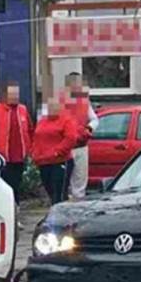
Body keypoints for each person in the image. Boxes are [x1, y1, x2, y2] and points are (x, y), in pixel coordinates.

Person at [0, 81, 32, 199]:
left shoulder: (23, 110)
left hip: (20, 156)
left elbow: (30, 130)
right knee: (6, 183)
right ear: (5, 95)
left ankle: (16, 204)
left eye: (16, 94)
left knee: (17, 182)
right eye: (12, 94)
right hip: (4, 156)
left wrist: (29, 149)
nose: (15, 97)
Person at [32, 95, 80, 205]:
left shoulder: (66, 120)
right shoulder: (42, 121)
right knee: (49, 190)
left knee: (59, 194)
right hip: (43, 161)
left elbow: (71, 138)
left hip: (60, 161)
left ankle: (61, 218)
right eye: (49, 106)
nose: (51, 108)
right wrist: (34, 152)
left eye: (54, 105)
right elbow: (36, 137)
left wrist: (57, 152)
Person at [63, 73, 99, 201]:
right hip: (65, 147)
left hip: (81, 146)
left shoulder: (84, 102)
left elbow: (94, 120)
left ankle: (78, 205)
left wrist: (88, 128)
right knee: (64, 181)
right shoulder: (59, 102)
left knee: (80, 181)